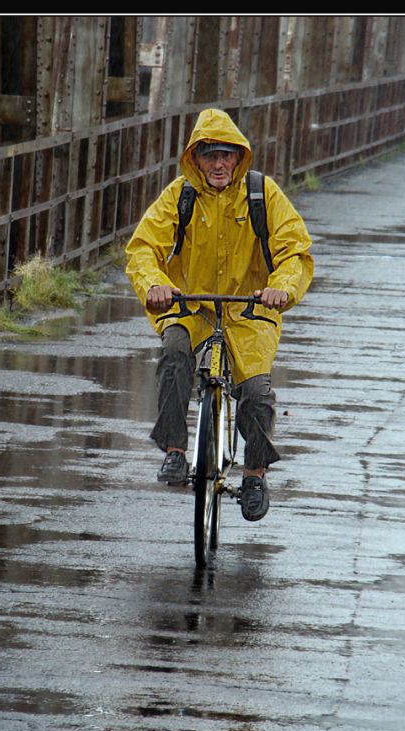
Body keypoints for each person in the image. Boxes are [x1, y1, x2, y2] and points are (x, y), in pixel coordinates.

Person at [125, 108, 313, 521]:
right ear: (196, 158)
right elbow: (144, 248)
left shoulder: (263, 193)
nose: (219, 164)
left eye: (227, 155)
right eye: (209, 155)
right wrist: (154, 285)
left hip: (250, 310)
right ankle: (175, 451)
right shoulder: (180, 195)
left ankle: (255, 474)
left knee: (257, 393)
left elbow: (294, 252)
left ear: (239, 157)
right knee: (174, 353)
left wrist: (281, 288)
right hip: (191, 305)